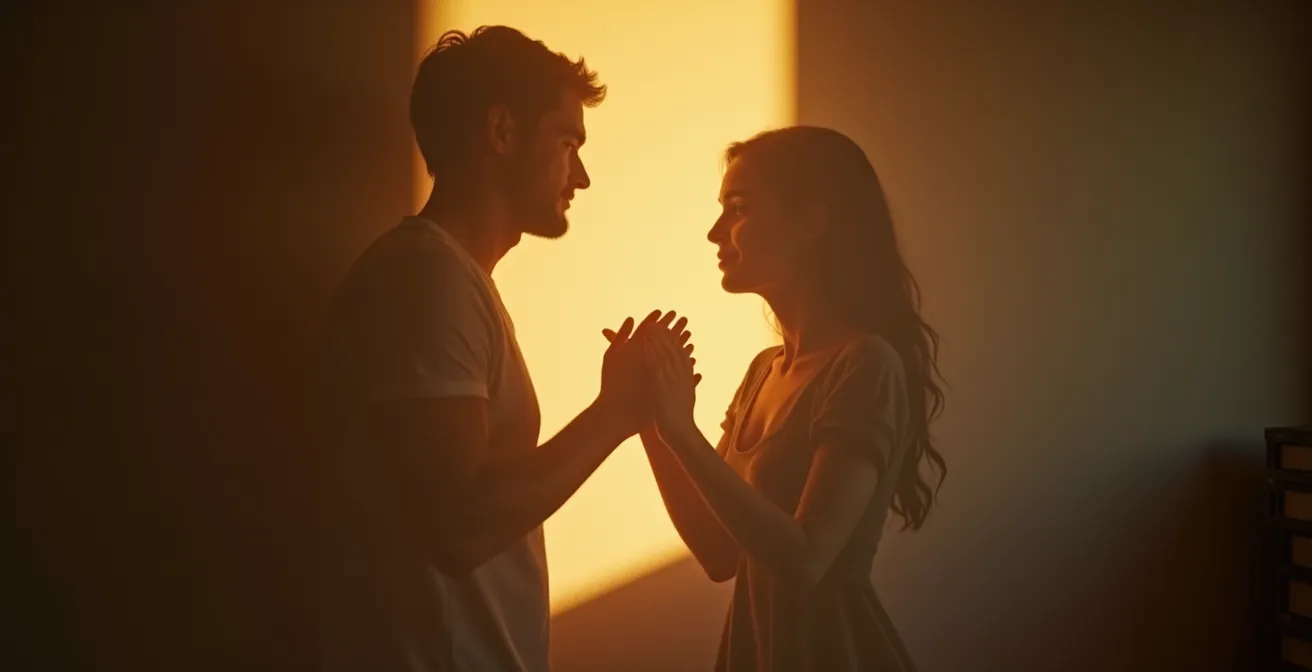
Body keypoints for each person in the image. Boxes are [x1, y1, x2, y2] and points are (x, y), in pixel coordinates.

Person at [317, 26, 684, 671]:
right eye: (567, 142)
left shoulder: (454, 282)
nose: (582, 176)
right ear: (502, 132)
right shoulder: (429, 281)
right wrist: (616, 413)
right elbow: (459, 527)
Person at [627, 126, 948, 671]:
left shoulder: (866, 365)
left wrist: (682, 428)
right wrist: (652, 422)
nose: (715, 232)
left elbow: (805, 559)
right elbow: (717, 552)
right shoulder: (763, 371)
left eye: (738, 209)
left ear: (810, 223)